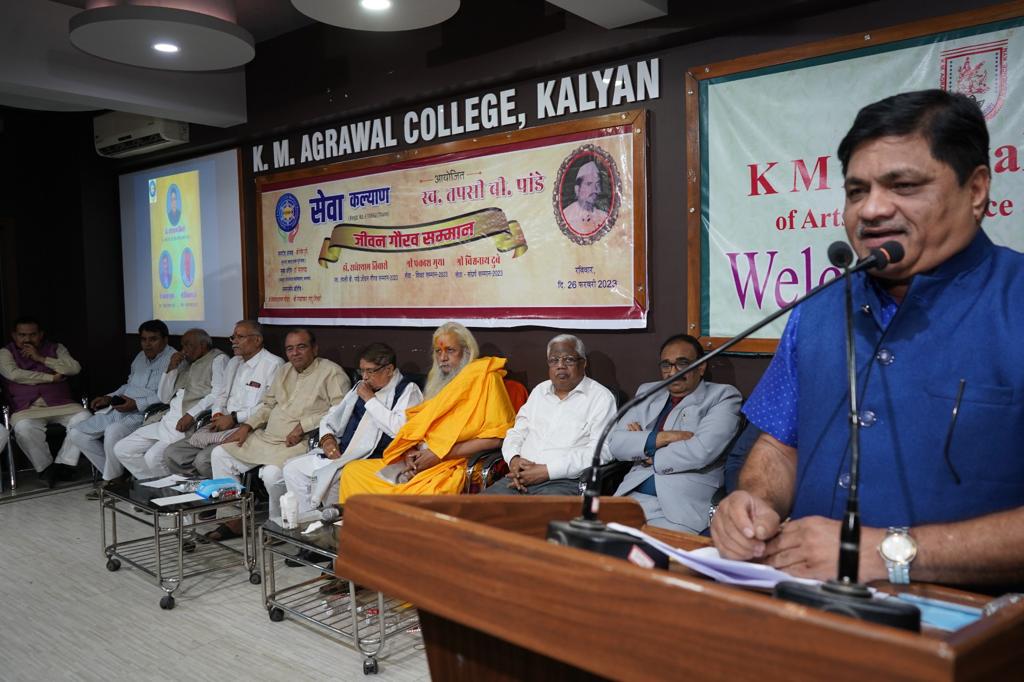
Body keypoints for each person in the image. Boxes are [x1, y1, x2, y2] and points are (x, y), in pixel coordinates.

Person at [711, 90, 1024, 587]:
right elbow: (780, 445)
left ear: (977, 189)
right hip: (804, 611)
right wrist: (754, 502)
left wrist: (888, 553)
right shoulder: (818, 309)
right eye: (857, 191)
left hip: (969, 628)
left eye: (904, 185)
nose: (872, 209)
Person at [339, 321, 516, 501]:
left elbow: (496, 438)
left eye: (450, 350)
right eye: (438, 351)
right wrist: (410, 452)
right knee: (353, 472)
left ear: (466, 352)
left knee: (418, 495)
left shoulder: (486, 378)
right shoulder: (437, 383)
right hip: (422, 459)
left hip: (454, 462)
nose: (443, 357)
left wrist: (438, 455)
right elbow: (421, 428)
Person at [206, 328, 349, 539]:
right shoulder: (284, 370)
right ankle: (234, 519)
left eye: (301, 347)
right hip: (266, 437)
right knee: (220, 454)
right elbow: (267, 405)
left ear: (315, 349)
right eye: (290, 349)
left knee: (272, 474)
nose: (295, 353)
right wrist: (247, 426)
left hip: (299, 442)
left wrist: (303, 426)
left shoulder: (331, 372)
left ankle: (279, 524)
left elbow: (340, 411)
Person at [608, 334, 742, 532]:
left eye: (682, 363)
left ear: (701, 367)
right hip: (631, 498)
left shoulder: (723, 397)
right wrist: (664, 437)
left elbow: (701, 451)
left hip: (681, 508)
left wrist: (646, 448)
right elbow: (615, 443)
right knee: (588, 542)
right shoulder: (648, 392)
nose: (673, 372)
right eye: (666, 365)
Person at [283, 342, 423, 518]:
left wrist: (370, 400)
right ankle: (308, 522)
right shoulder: (361, 386)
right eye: (362, 371)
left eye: (370, 371)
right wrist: (327, 438)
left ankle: (333, 525)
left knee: (332, 481)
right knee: (293, 470)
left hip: (371, 459)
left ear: (389, 369)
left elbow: (400, 430)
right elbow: (332, 415)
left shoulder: (408, 390)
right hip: (343, 453)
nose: (364, 377)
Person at [484, 334, 616, 495]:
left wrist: (548, 471)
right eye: (554, 360)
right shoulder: (540, 391)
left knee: (537, 512)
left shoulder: (600, 398)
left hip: (562, 482)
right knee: (476, 507)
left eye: (568, 360)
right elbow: (517, 432)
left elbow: (602, 451)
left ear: (583, 363)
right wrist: (514, 459)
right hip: (518, 477)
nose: (560, 366)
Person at [68, 320, 175, 497]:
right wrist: (109, 397)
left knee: (113, 431)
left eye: (153, 339)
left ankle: (111, 481)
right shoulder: (140, 357)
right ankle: (118, 477)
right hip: (120, 407)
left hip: (146, 413)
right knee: (77, 434)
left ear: (165, 339)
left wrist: (137, 404)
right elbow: (128, 385)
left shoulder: (174, 360)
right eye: (144, 339)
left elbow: (168, 395)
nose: (147, 344)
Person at [163, 321, 283, 479]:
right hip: (223, 424)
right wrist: (217, 413)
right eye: (233, 337)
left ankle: (224, 490)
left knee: (203, 461)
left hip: (251, 428)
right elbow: (221, 395)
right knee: (172, 453)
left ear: (257, 340)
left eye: (240, 337)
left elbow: (269, 406)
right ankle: (203, 487)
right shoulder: (234, 362)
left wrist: (234, 418)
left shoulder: (273, 364)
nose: (234, 341)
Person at [112, 328, 227, 480]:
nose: (184, 350)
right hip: (167, 420)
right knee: (122, 448)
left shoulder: (218, 359)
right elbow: (164, 397)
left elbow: (218, 395)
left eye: (188, 345)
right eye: (182, 345)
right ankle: (153, 484)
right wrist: (171, 368)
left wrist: (191, 415)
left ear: (203, 345)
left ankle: (169, 490)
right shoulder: (185, 362)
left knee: (153, 457)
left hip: (189, 424)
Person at [0, 316, 91, 485]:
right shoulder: (5, 352)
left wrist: (41, 358)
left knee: (85, 419)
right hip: (26, 407)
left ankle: (65, 464)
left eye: (32, 334)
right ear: (14, 335)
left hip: (62, 404)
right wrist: (50, 378)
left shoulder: (57, 348)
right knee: (24, 428)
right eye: (22, 335)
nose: (27, 339)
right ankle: (46, 469)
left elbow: (74, 368)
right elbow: (14, 374)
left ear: (40, 334)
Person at [562, 160, 609, 234]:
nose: (595, 190)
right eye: (589, 184)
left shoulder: (604, 217)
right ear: (577, 189)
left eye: (597, 184)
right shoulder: (566, 216)